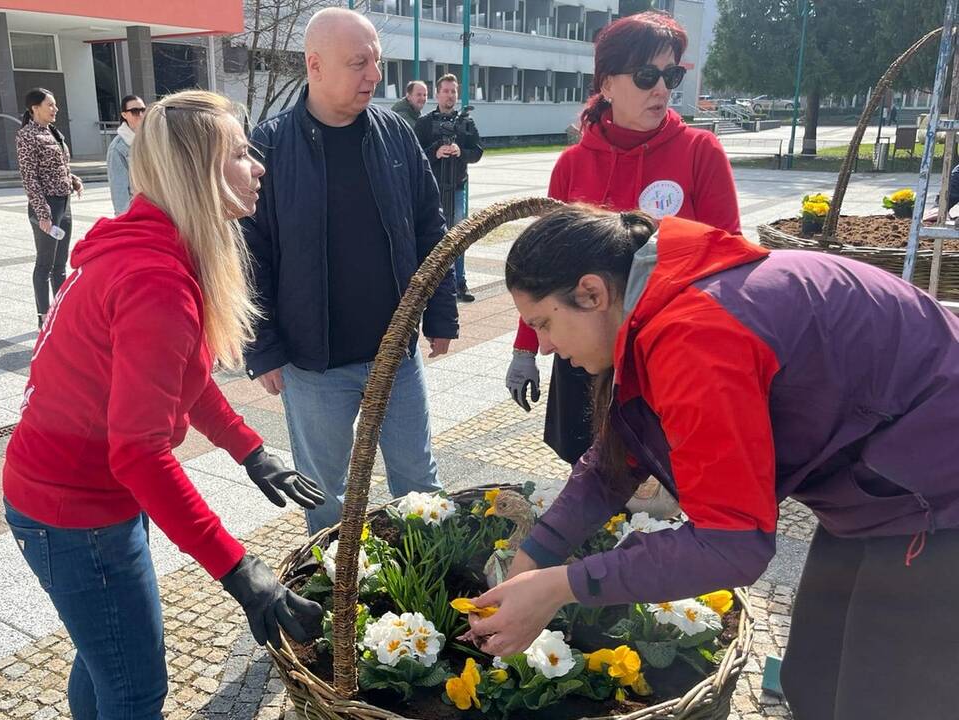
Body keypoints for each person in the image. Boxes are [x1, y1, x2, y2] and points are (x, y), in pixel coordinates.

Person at [466, 204, 959, 720]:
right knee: (812, 676)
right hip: (874, 483)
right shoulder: (660, 298)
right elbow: (615, 460)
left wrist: (561, 587)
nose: (542, 347)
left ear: (592, 292)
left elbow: (733, 544)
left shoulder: (693, 334)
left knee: (879, 701)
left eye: (544, 324)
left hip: (935, 491)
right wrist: (536, 555)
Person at [3, 90, 326, 719]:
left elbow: (182, 376)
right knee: (134, 687)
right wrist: (238, 570)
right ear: (199, 173)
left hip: (71, 494)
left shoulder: (152, 247)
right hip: (76, 507)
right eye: (239, 154)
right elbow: (139, 453)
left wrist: (252, 452)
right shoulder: (155, 279)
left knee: (103, 658)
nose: (258, 166)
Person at [241, 8, 458, 534]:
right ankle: (337, 604)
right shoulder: (268, 146)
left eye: (377, 61)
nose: (374, 75)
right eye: (358, 62)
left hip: (396, 355)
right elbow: (249, 256)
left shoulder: (396, 136)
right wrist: (262, 347)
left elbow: (431, 226)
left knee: (419, 487)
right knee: (325, 499)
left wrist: (442, 312)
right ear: (314, 65)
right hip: (313, 365)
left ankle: (428, 598)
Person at [504, 11, 740, 469]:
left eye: (671, 75)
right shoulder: (573, 164)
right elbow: (545, 271)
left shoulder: (699, 152)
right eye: (646, 75)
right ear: (606, 84)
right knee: (589, 468)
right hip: (587, 342)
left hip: (668, 352)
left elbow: (727, 262)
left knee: (662, 476)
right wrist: (525, 349)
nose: (662, 89)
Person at [16, 88, 83, 329]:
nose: (55, 109)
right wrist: (43, 214)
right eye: (50, 105)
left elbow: (59, 165)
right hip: (47, 205)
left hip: (63, 203)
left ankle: (61, 310)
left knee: (60, 263)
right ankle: (43, 316)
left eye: (55, 105)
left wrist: (73, 179)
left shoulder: (53, 132)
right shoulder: (27, 135)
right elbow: (30, 178)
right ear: (35, 108)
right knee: (44, 263)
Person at [414, 73, 484, 302]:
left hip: (457, 188)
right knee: (433, 236)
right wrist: (436, 151)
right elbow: (415, 157)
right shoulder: (424, 123)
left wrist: (460, 152)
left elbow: (478, 152)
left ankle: (458, 283)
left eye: (453, 91)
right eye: (445, 91)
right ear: (437, 93)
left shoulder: (466, 122)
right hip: (432, 191)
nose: (450, 95)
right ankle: (429, 285)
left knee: (458, 237)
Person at [106, 94, 147, 214]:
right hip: (138, 210)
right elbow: (119, 189)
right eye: (134, 111)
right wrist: (124, 219)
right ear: (124, 115)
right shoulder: (118, 148)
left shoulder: (153, 139)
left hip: (160, 206)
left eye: (143, 110)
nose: (140, 115)